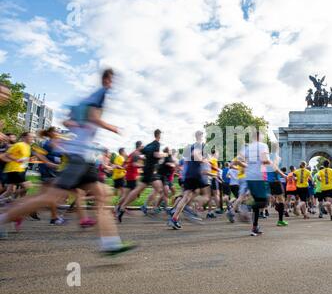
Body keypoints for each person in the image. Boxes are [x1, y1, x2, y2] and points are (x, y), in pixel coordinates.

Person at [1, 69, 136, 255]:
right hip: (79, 157)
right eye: (113, 79)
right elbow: (93, 118)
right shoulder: (101, 94)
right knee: (49, 198)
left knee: (103, 194)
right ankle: (4, 217)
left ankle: (111, 243)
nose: (114, 83)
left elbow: (68, 121)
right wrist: (112, 127)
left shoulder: (88, 98)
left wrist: (75, 124)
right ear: (107, 79)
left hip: (85, 157)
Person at [117, 129, 167, 222]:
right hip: (150, 172)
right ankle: (161, 208)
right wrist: (165, 154)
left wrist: (142, 156)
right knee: (159, 189)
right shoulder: (157, 144)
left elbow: (141, 151)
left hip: (147, 171)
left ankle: (122, 207)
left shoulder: (148, 145)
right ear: (159, 135)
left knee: (143, 190)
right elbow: (156, 155)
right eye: (161, 135)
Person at [168, 131, 210, 229]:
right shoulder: (200, 145)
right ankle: (188, 208)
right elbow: (195, 155)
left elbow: (185, 162)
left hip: (188, 175)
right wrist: (203, 160)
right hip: (196, 174)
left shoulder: (189, 147)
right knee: (207, 195)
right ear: (200, 136)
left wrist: (183, 174)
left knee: (187, 196)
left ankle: (174, 218)